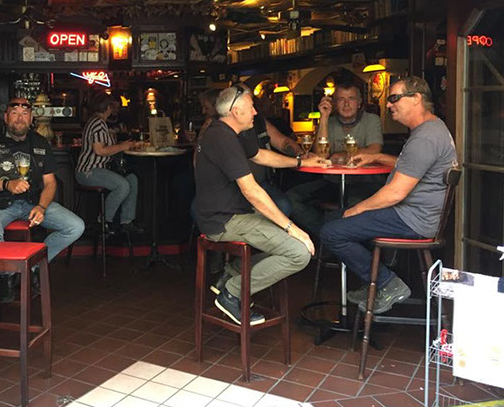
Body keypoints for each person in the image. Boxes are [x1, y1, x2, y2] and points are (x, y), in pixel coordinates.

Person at [320, 76, 457, 314]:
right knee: (333, 220)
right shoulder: (432, 128)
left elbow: (395, 192)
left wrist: (357, 209)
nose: (389, 104)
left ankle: (386, 283)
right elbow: (414, 167)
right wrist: (377, 157)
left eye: (394, 98)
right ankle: (372, 282)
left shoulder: (425, 138)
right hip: (417, 214)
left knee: (331, 231)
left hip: (413, 219)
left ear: (416, 98)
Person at [194, 84, 326, 326]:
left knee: (290, 241)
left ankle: (231, 273)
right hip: (224, 220)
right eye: (251, 107)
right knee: (299, 253)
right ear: (236, 112)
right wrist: (291, 227)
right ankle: (232, 293)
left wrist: (299, 162)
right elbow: (251, 190)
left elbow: (259, 155)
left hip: (232, 214)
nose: (256, 112)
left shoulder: (230, 131)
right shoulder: (222, 137)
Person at [0, 97, 84, 300]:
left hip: (32, 202)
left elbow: (50, 183)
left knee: (75, 226)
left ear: (31, 119)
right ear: (6, 117)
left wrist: (42, 206)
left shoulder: (40, 142)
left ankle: (34, 267)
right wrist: (5, 184)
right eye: (14, 113)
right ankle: (7, 275)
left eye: (24, 114)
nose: (19, 118)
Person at [287, 76, 384, 235]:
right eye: (341, 99)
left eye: (351, 99)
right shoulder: (329, 122)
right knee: (292, 198)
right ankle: (325, 233)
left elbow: (375, 150)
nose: (346, 104)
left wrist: (342, 155)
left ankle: (338, 237)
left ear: (359, 103)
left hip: (365, 182)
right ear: (334, 103)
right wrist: (324, 117)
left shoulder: (371, 120)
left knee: (353, 205)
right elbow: (320, 155)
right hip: (333, 182)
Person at [75, 92, 143, 234]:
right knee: (123, 185)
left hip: (98, 170)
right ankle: (104, 221)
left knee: (132, 180)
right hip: (89, 171)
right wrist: (123, 146)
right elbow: (100, 150)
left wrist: (123, 144)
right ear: (108, 108)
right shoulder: (98, 123)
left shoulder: (97, 122)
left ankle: (126, 221)